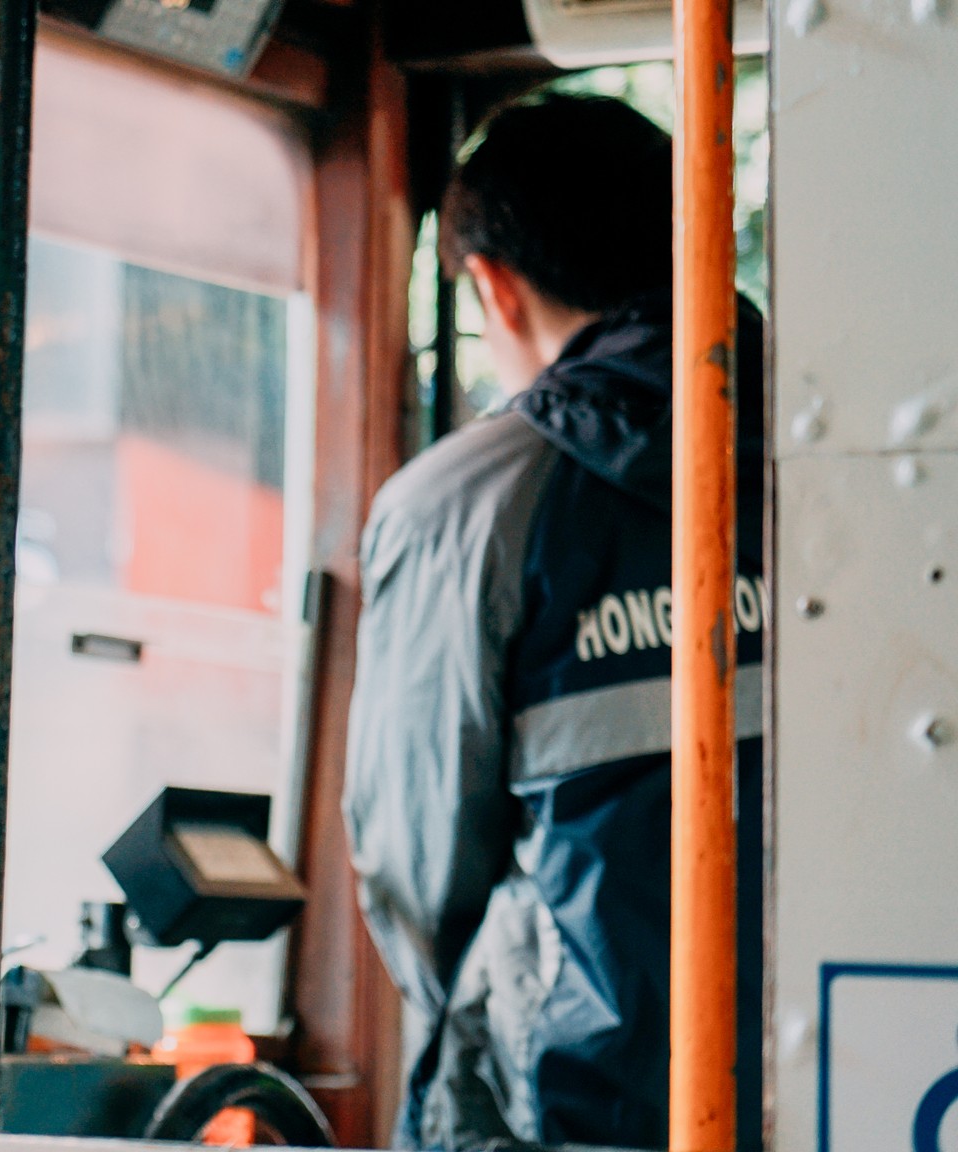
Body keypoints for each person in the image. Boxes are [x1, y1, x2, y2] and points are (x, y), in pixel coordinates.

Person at [343, 93, 764, 1150]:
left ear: (491, 283)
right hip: (840, 1074)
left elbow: (415, 861)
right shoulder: (832, 457)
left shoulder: (464, 504)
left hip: (567, 1104)